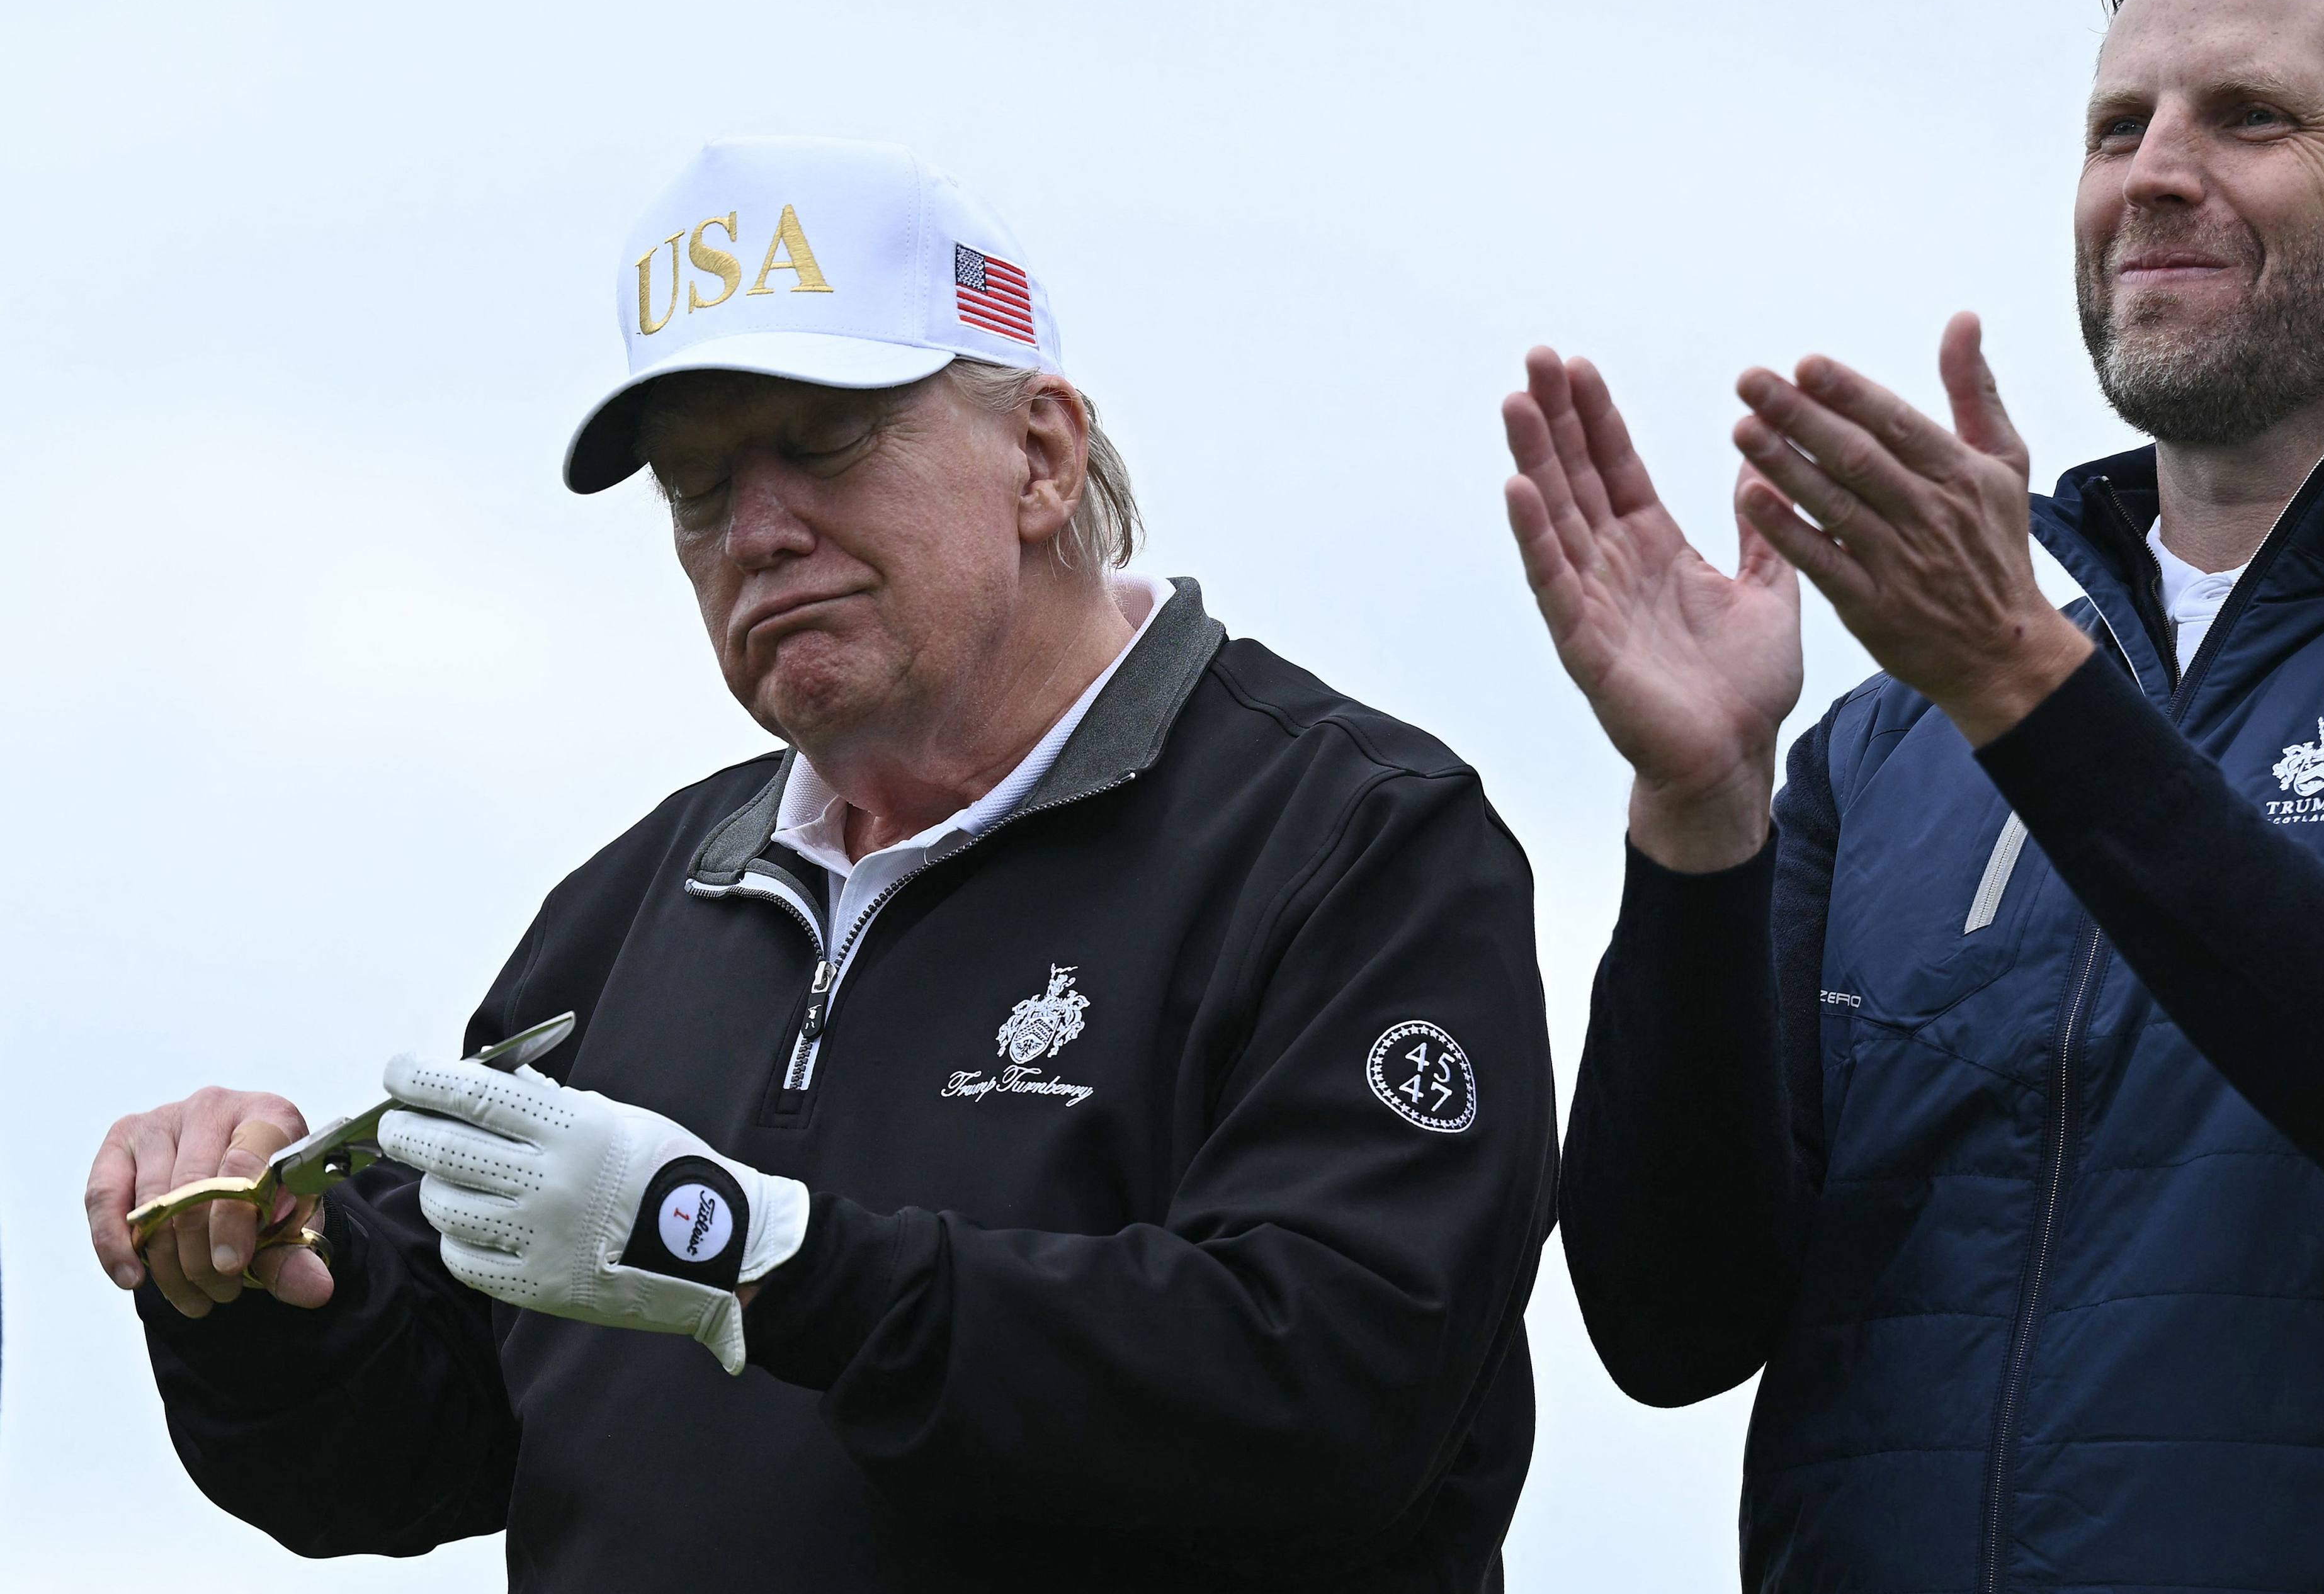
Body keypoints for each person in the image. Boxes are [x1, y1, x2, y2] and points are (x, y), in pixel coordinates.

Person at [89, 137, 1556, 1591]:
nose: (759, 533)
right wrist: (269, 1288)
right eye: (697, 487)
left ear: (1040, 455)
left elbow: (1333, 1405)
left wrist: (756, 1256)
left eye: (825, 442)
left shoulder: (1349, 837)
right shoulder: (628, 909)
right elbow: (427, 1449)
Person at [1507, 0, 2324, 1592]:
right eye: (2115, 125)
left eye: (2250, 118)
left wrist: (2027, 690)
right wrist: (1699, 813)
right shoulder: (1884, 750)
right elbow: (1669, 1324)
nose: (2153, 171)